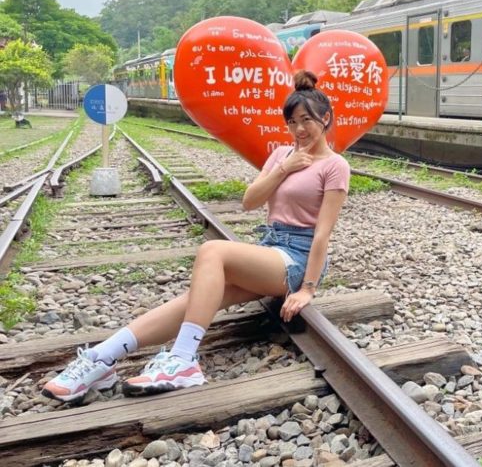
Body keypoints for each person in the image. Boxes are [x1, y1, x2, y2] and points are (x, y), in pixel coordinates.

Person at [43, 70, 350, 403]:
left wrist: (307, 289)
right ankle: (102, 358)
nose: (299, 130)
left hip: (298, 259)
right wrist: (284, 168)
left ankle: (182, 360)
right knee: (195, 302)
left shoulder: (335, 166)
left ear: (326, 118)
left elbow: (322, 233)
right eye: (292, 122)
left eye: (307, 120)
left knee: (213, 252)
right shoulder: (282, 155)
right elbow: (250, 201)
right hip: (271, 248)